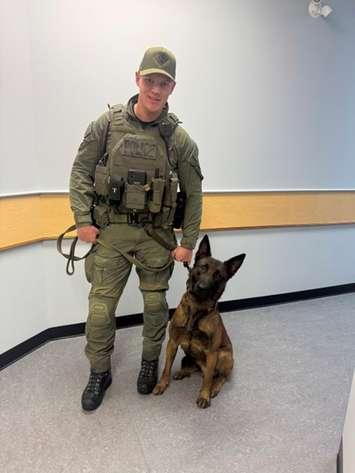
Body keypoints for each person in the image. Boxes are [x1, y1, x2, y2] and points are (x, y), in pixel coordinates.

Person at [69, 46, 203, 411]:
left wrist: (187, 242)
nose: (155, 90)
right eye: (149, 81)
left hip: (155, 239)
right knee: (99, 311)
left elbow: (194, 194)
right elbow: (81, 172)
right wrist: (83, 220)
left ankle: (148, 366)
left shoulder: (179, 140)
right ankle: (99, 371)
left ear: (172, 87)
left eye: (163, 83)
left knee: (157, 307)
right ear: (137, 79)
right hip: (110, 234)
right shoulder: (107, 125)